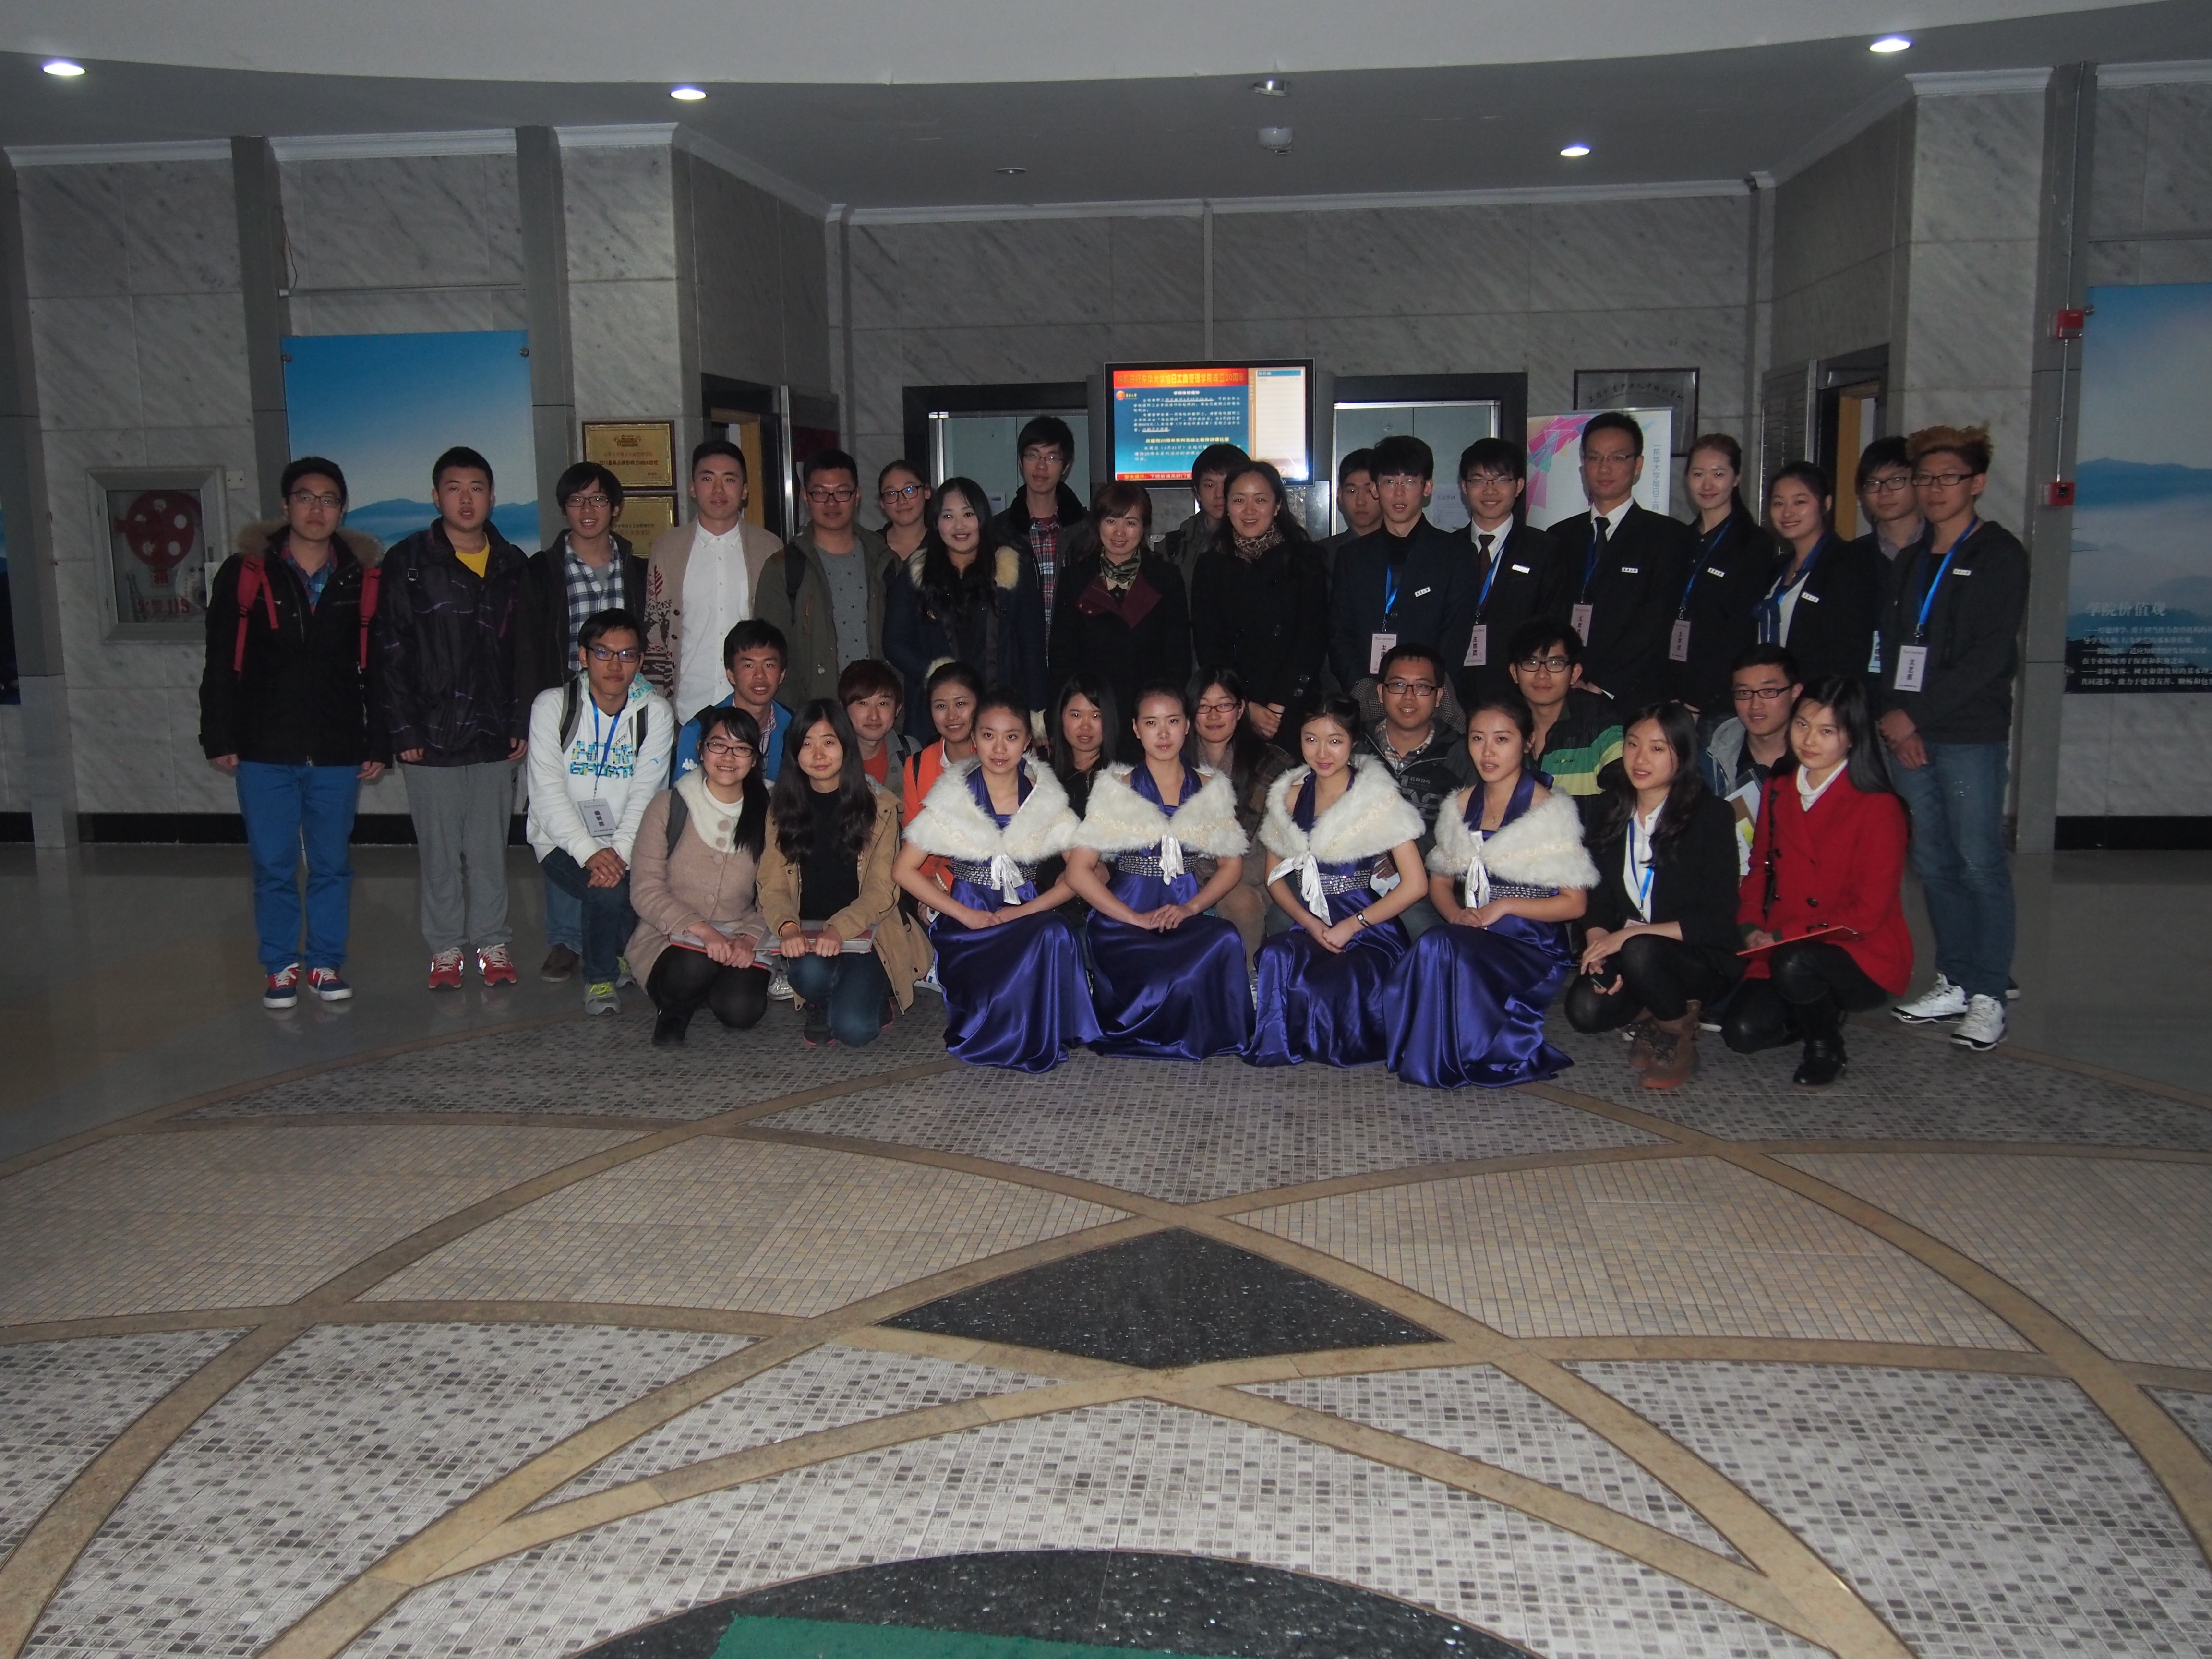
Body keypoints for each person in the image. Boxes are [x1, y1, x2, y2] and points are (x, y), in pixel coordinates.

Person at [199, 456, 387, 1009]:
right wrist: (219, 735)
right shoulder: (247, 573)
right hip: (264, 746)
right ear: (286, 506)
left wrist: (378, 740)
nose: (316, 509)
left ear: (342, 509)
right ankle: (280, 964)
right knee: (273, 864)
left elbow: (378, 667)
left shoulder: (361, 577)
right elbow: (220, 660)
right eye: (305, 497)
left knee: (331, 864)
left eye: (329, 499)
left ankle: (325, 962)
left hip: (336, 747)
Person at [1876, 425, 2026, 1051]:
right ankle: (1957, 979)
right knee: (1934, 863)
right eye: (1926, 479)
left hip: (1968, 734)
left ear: (1977, 483)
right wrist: (1894, 716)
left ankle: (1990, 991)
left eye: (1949, 478)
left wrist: (1916, 717)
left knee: (1979, 861)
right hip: (1909, 732)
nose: (1935, 490)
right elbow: (1889, 648)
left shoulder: (1999, 554)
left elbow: (1990, 658)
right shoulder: (1912, 559)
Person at [374, 445, 530, 990]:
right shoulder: (410, 562)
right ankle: (445, 948)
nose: (467, 500)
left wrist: (520, 721)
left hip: (494, 731)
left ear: (492, 496)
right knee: (439, 850)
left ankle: (492, 941)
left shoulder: (512, 562)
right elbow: (390, 650)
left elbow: (524, 653)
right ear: (435, 496)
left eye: (477, 489)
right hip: (431, 733)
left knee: (489, 848)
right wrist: (404, 729)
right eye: (454, 488)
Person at [1387, 694, 1595, 1089]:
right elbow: (1441, 882)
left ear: (1527, 742)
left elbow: (1575, 904)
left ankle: (1451, 1054)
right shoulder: (1461, 804)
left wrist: (1505, 906)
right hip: (1477, 928)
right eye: (1478, 739)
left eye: (1502, 740)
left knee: (1440, 945)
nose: (1487, 752)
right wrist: (1456, 915)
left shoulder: (1550, 809)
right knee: (1438, 941)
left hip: (1531, 943)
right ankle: (1437, 1052)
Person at [897, 689, 1100, 1071]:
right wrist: (964, 914)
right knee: (1033, 942)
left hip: (1023, 916)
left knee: (1054, 932)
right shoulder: (953, 797)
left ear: (1027, 742)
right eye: (989, 735)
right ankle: (1004, 1031)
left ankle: (1041, 1033)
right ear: (974, 740)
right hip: (969, 922)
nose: (1000, 748)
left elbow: (1080, 872)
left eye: (1011, 736)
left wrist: (1026, 911)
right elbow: (902, 870)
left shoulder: (1043, 798)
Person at [1728, 677, 1912, 1085]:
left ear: (1852, 738)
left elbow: (1867, 914)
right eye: (1802, 725)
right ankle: (1810, 1008)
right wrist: (1751, 925)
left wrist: (1781, 937)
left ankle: (1825, 1046)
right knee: (1742, 1034)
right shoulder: (1779, 788)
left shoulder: (1880, 807)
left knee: (1796, 964)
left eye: (1827, 731)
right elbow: (1760, 867)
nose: (1809, 740)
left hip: (1859, 949)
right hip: (1781, 940)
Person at [1064, 683, 1253, 1059]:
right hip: (1125, 917)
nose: (1163, 734)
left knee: (1225, 939)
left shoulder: (1211, 788)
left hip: (1182, 912)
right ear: (1136, 729)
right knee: (1161, 976)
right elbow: (1078, 873)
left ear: (1188, 726)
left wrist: (1190, 909)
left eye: (1173, 722)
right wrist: (1133, 918)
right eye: (1152, 723)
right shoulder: (1116, 789)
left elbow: (1232, 865)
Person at [1563, 703, 1743, 1089]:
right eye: (1633, 745)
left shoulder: (1710, 816)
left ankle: (1677, 1035)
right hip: (1630, 949)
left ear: (1682, 755)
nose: (1640, 759)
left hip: (1698, 957)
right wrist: (1598, 941)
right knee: (1585, 1011)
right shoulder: (1611, 809)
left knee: (1641, 949)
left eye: (1657, 748)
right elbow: (1599, 896)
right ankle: (1653, 1012)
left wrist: (1628, 937)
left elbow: (1717, 918)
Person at [519, 460, 649, 982]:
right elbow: (530, 644)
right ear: (564, 509)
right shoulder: (542, 569)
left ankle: (613, 935)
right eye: (577, 500)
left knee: (620, 810)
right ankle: (565, 940)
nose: (588, 510)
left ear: (615, 508)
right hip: (568, 711)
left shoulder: (637, 568)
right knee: (564, 811)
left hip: (624, 707)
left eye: (598, 499)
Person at [1249, 697, 1428, 1067]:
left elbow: (1416, 884)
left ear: (1354, 741)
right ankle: (1283, 1038)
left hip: (1367, 927)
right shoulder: (1290, 796)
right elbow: (1274, 877)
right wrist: (1311, 924)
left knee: (1329, 984)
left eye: (1335, 741)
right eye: (1311, 739)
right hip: (1311, 921)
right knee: (1275, 956)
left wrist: (1353, 925)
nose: (1322, 753)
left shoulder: (1374, 798)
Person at [524, 608, 674, 1014]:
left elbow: (646, 794)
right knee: (608, 893)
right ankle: (600, 978)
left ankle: (622, 953)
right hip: (559, 839)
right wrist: (590, 851)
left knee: (633, 887)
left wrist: (618, 852)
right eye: (603, 652)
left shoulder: (655, 714)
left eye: (627, 655)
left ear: (640, 661)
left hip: (627, 840)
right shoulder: (553, 706)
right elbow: (546, 792)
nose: (615, 665)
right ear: (583, 656)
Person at [758, 699, 929, 1046]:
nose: (819, 754)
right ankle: (821, 1000)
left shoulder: (878, 807)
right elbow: (771, 883)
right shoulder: (782, 809)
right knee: (809, 974)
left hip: (867, 935)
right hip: (808, 934)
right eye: (807, 744)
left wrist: (839, 930)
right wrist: (788, 928)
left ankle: (870, 995)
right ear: (795, 752)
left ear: (846, 747)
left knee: (855, 1030)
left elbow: (881, 891)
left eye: (829, 742)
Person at [627, 705, 772, 1048]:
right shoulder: (668, 805)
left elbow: (781, 891)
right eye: (719, 745)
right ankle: (674, 1011)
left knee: (742, 1012)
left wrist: (750, 938)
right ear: (701, 749)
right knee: (693, 966)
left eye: (741, 748)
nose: (728, 757)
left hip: (739, 933)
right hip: (670, 935)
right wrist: (704, 932)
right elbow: (645, 889)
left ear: (754, 759)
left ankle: (712, 986)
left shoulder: (772, 810)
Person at [1548, 412, 1694, 711]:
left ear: (1638, 465)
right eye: (1595, 458)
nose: (1605, 468)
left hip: (1634, 697)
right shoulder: (1560, 536)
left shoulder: (1667, 536)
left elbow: (1655, 623)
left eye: (1618, 458)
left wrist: (1601, 685)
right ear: (1583, 465)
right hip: (1565, 692)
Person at [884, 476, 1048, 740]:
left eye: (968, 514)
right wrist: (934, 670)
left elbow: (1032, 648)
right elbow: (894, 643)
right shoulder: (917, 573)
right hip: (937, 716)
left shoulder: (1011, 568)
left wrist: (1037, 712)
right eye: (948, 516)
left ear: (982, 518)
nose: (959, 526)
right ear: (936, 522)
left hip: (1000, 711)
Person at [1327, 434, 1478, 705]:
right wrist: (1363, 690)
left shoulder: (1456, 554)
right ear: (1376, 489)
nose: (1399, 493)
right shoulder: (1351, 557)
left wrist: (1422, 692)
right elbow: (1339, 633)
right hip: (1364, 698)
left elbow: (1455, 639)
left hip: (1428, 700)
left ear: (1428, 487)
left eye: (1409, 482)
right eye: (1389, 482)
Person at [1188, 460, 1329, 746]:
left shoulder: (1305, 559)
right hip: (1233, 708)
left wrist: (1278, 705)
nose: (1249, 510)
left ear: (1277, 506)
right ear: (1227, 506)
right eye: (1239, 500)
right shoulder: (1211, 565)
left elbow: (1312, 638)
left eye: (1260, 500)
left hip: (1293, 704)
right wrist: (1245, 705)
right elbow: (1209, 644)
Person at [641, 439, 781, 723]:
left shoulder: (770, 549)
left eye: (729, 479)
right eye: (707, 479)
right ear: (693, 488)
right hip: (686, 707)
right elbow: (655, 632)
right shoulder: (667, 549)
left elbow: (779, 635)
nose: (718, 490)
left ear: (745, 490)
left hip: (754, 709)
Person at [1046, 481, 1191, 754]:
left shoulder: (1166, 578)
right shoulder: (1075, 579)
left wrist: (1176, 717)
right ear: (1098, 523)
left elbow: (1178, 659)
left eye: (1131, 522)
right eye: (1111, 520)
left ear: (1144, 527)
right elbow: (1061, 657)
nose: (1120, 532)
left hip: (1147, 720)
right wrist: (1056, 719)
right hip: (1092, 719)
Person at [756, 449, 894, 704]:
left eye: (842, 492)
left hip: (878, 710)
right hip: (814, 712)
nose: (832, 503)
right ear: (805, 497)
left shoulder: (885, 561)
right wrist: (800, 715)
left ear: (857, 495)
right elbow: (769, 654)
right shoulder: (783, 568)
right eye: (820, 493)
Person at [1359, 642, 1472, 938]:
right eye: (1398, 685)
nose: (1409, 697)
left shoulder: (1461, 754)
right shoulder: (1352, 744)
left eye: (1422, 687)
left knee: (1419, 926)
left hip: (1432, 882)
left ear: (1439, 697)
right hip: (1352, 873)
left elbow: (1473, 827)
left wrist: (1410, 857)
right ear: (1381, 693)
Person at [1670, 435, 1779, 724]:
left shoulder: (1755, 544)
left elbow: (1739, 630)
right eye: (1698, 474)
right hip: (1671, 691)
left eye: (1718, 474)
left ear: (1737, 478)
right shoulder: (1678, 540)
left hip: (1718, 698)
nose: (1707, 485)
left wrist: (1697, 700)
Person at [1188, 666, 1294, 964]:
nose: (1213, 716)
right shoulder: (1177, 763)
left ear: (1240, 709)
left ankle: (1246, 979)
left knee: (1243, 900)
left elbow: (1281, 846)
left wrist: (1219, 876)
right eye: (1203, 706)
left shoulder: (1273, 764)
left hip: (1260, 871)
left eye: (1224, 705)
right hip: (1195, 870)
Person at [1455, 437, 1567, 706]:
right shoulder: (1446, 550)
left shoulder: (1545, 550)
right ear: (1464, 487)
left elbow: (1552, 625)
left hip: (1518, 692)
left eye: (1501, 480)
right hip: (1454, 692)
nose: (1489, 490)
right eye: (1478, 480)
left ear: (1518, 486)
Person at [1757, 460, 1879, 688]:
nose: (1787, 512)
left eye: (1800, 502)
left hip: (1819, 697)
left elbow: (1850, 652)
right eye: (1779, 503)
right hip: (1774, 697)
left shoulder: (1848, 562)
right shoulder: (1777, 568)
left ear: (1826, 504)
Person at [1697, 645, 1803, 875]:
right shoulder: (1711, 762)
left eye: (1769, 691)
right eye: (1744, 693)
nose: (1755, 705)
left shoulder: (1819, 760)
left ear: (1796, 692)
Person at [1506, 619, 1623, 797]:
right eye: (1531, 663)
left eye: (1555, 664)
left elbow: (1627, 789)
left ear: (1575, 674)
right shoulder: (1503, 724)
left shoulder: (1600, 722)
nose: (1542, 675)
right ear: (1515, 673)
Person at [987, 415, 1086, 621]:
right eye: (1033, 456)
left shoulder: (1087, 530)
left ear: (1066, 466)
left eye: (1052, 458)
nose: (1041, 466)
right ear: (1021, 462)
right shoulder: (997, 532)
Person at [672, 618, 794, 781]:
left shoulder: (796, 726)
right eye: (749, 666)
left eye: (769, 665)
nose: (760, 676)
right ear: (730, 674)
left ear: (782, 674)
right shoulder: (698, 730)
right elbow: (684, 793)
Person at [1163, 441, 1250, 593]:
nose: (1219, 494)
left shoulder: (1262, 544)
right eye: (1210, 485)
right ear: (1197, 492)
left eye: (1227, 484)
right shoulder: (1174, 547)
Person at [840, 657, 919, 801]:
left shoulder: (911, 752)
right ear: (843, 708)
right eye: (863, 704)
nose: (874, 716)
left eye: (883, 704)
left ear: (898, 709)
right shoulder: (830, 757)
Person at [1050, 673, 1118, 817]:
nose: (1085, 726)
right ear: (1061, 716)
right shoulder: (1044, 779)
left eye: (1096, 716)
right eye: (1076, 715)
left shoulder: (1125, 779)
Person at [1852, 436, 1923, 564]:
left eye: (1896, 480)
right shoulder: (1850, 557)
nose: (1884, 493)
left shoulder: (1943, 546)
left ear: (1918, 480)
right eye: (1873, 483)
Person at [1318, 447, 1382, 571]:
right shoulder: (1322, 555)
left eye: (1369, 491)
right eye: (1352, 491)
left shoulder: (1402, 550)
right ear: (1340, 495)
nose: (1361, 502)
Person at [877, 460, 931, 561]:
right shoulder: (870, 547)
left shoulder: (944, 546)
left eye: (909, 490)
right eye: (892, 494)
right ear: (882, 503)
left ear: (927, 492)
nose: (902, 501)